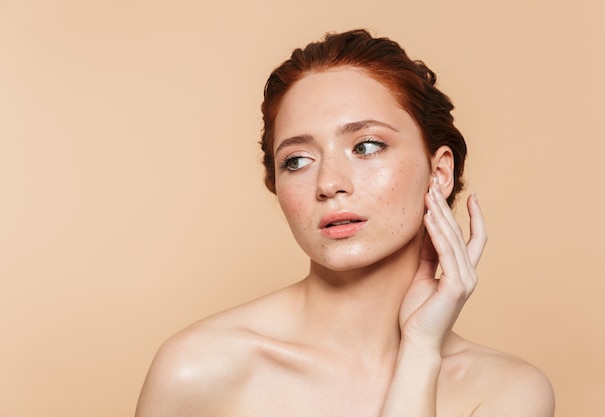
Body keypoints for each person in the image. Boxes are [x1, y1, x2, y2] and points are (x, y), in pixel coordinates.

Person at [135, 29, 554, 417]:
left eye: (367, 146)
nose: (329, 183)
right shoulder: (199, 370)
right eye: (297, 161)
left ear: (439, 172)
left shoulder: (505, 392)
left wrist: (421, 351)